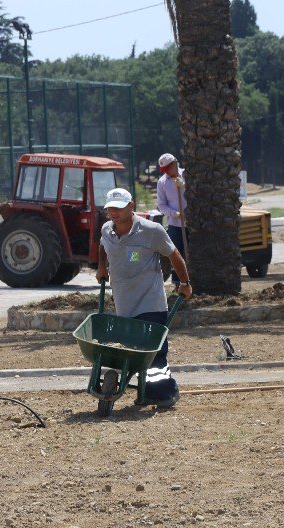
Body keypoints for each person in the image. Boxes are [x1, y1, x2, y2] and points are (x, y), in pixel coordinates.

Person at [96, 187, 193, 408]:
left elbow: (174, 254)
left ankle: (166, 392)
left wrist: (185, 283)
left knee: (154, 354)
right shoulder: (106, 231)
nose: (114, 213)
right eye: (110, 209)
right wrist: (102, 267)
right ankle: (146, 391)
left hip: (150, 302)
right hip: (124, 303)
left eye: (119, 209)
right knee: (133, 352)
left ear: (131, 207)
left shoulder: (152, 230)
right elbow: (102, 247)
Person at [155, 152, 187, 285]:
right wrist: (175, 214)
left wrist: (184, 185)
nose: (166, 172)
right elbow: (161, 205)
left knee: (191, 253)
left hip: (192, 224)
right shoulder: (162, 182)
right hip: (175, 225)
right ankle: (178, 284)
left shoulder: (186, 175)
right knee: (176, 253)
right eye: (164, 170)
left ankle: (192, 281)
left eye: (168, 168)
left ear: (175, 164)